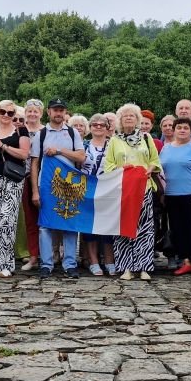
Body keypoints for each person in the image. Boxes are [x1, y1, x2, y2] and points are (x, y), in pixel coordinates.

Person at [105, 102, 162, 281]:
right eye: (125, 115)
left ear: (137, 119)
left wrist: (149, 168)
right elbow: (108, 166)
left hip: (143, 190)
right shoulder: (114, 140)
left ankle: (144, 267)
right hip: (122, 191)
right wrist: (123, 169)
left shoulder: (146, 138)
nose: (129, 118)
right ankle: (126, 267)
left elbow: (155, 160)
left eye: (132, 115)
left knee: (145, 228)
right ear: (120, 120)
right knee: (123, 228)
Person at [30, 98, 86, 279]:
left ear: (65, 112)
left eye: (61, 110)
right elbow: (34, 164)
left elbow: (81, 156)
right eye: (55, 110)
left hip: (69, 184)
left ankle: (69, 263)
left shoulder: (71, 133)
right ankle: (46, 264)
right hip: (46, 184)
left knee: (69, 223)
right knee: (45, 225)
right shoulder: (42, 134)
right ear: (49, 112)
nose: (58, 113)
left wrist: (60, 151)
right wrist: (35, 191)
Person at [0, 100, 31, 277]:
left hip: (13, 179)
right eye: (3, 112)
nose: (6, 115)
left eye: (10, 113)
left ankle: (6, 262)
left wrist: (3, 145)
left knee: (7, 220)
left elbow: (24, 154)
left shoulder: (20, 130)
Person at [160, 117, 191, 278]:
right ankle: (186, 261)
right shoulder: (166, 148)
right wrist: (162, 193)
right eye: (179, 127)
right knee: (178, 229)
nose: (182, 130)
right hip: (172, 195)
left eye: (185, 128)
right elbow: (161, 172)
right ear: (173, 130)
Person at [80, 113, 115, 276]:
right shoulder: (83, 146)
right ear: (90, 127)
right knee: (89, 226)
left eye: (102, 124)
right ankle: (93, 261)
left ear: (108, 128)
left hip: (108, 189)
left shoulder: (113, 145)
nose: (98, 127)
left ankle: (109, 260)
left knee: (108, 226)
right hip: (87, 190)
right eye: (95, 124)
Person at [19, 98, 45, 271]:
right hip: (23, 176)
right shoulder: (20, 130)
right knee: (29, 219)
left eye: (36, 111)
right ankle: (33, 255)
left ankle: (48, 255)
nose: (32, 114)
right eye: (29, 111)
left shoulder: (47, 131)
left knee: (45, 219)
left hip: (44, 178)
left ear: (41, 114)